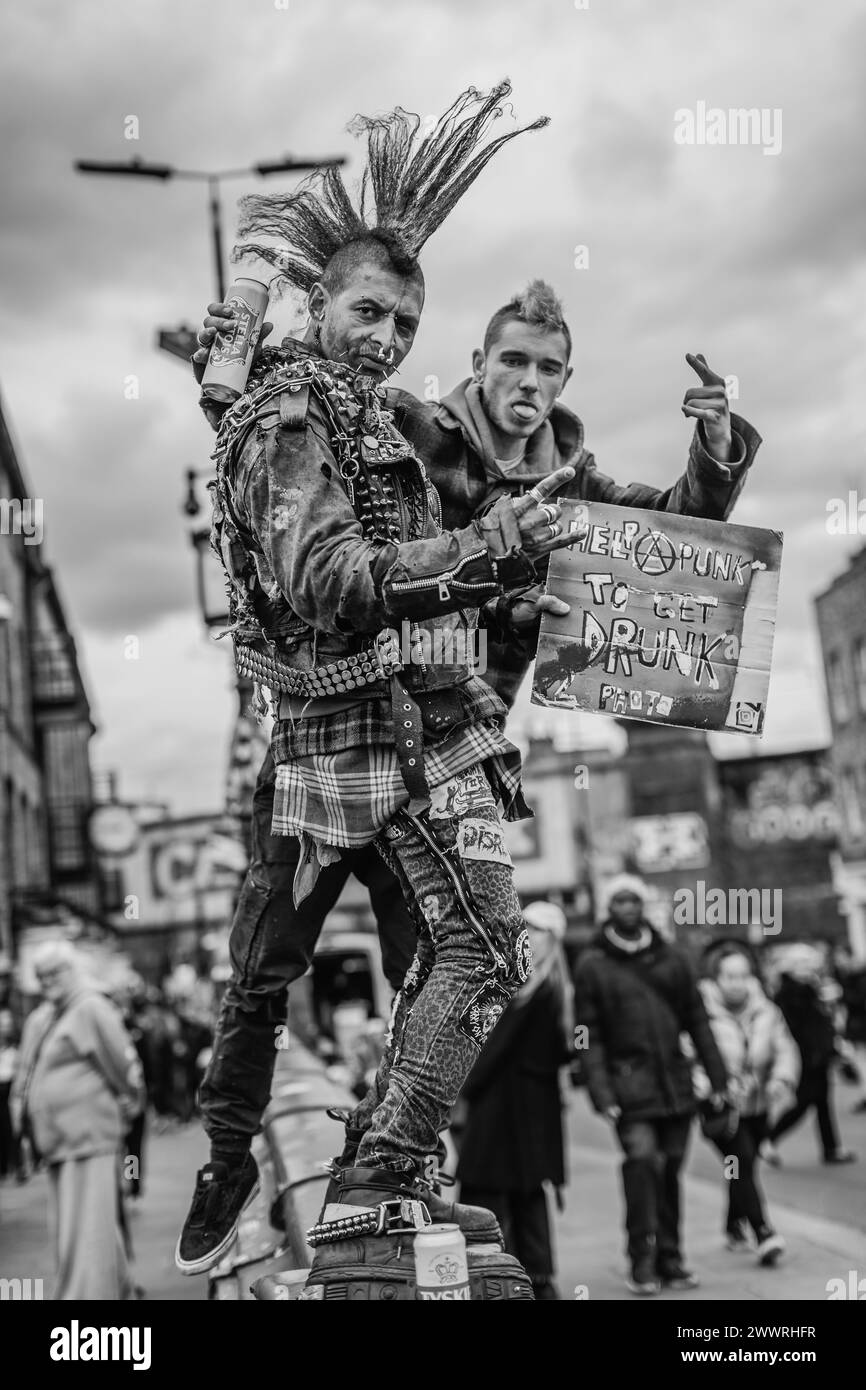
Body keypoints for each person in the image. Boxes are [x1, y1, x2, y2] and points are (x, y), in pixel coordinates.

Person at [179, 81, 761, 1276]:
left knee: (462, 952)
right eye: (510, 357)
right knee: (264, 971)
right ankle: (246, 1151)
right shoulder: (405, 432)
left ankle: (391, 1173)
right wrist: (236, 362)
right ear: (479, 363)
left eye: (549, 363)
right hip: (333, 724)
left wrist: (711, 450)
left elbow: (673, 555)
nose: (529, 380)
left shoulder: (565, 472)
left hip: (451, 733)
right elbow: (329, 546)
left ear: (559, 377)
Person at [573, 875, 728, 1295]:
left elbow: (697, 1018)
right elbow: (585, 1034)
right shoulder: (592, 965)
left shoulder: (673, 958)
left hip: (675, 1086)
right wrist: (599, 1091)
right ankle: (641, 1260)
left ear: (643, 906)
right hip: (628, 1092)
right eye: (619, 899)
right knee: (643, 1164)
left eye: (634, 899)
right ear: (609, 907)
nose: (627, 906)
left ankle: (671, 1260)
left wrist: (718, 1078)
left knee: (670, 1170)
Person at [10, 942, 146, 1300]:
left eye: (54, 972)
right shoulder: (44, 1015)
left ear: (72, 971)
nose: (47, 981)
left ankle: (87, 1294)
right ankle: (112, 1288)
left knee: (89, 1219)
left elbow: (122, 1061)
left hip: (90, 1134)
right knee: (80, 1220)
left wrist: (133, 1101)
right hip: (60, 1139)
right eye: (41, 975)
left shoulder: (91, 1007)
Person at [456, 900, 575, 1299]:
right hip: (527, 1110)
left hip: (504, 1109)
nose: (526, 935)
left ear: (550, 939)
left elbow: (492, 1050)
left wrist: (460, 1089)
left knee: (485, 1193)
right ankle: (535, 1279)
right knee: (525, 1194)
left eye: (536, 930)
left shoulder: (530, 990)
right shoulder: (550, 987)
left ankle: (498, 1278)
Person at [695, 945, 799, 1265]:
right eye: (729, 976)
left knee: (744, 1166)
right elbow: (688, 1057)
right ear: (716, 978)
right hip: (721, 1109)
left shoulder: (766, 1010)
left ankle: (732, 1225)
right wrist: (712, 1087)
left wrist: (780, 1080)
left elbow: (785, 1049)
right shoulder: (700, 1012)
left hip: (758, 1106)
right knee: (740, 1161)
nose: (737, 983)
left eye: (743, 975)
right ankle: (764, 1232)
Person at [764, 945, 857, 1165]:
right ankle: (768, 1139)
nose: (809, 968)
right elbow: (797, 1030)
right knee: (805, 1102)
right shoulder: (790, 994)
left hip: (818, 1055)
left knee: (823, 1103)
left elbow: (821, 1023)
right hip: (805, 1057)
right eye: (804, 964)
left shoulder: (809, 989)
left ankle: (831, 1149)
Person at [0, 1007, 23, 1180]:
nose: (5, 1027)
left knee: (15, 1128)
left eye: (7, 1024)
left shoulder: (16, 1048)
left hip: (12, 1088)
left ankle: (18, 1166)